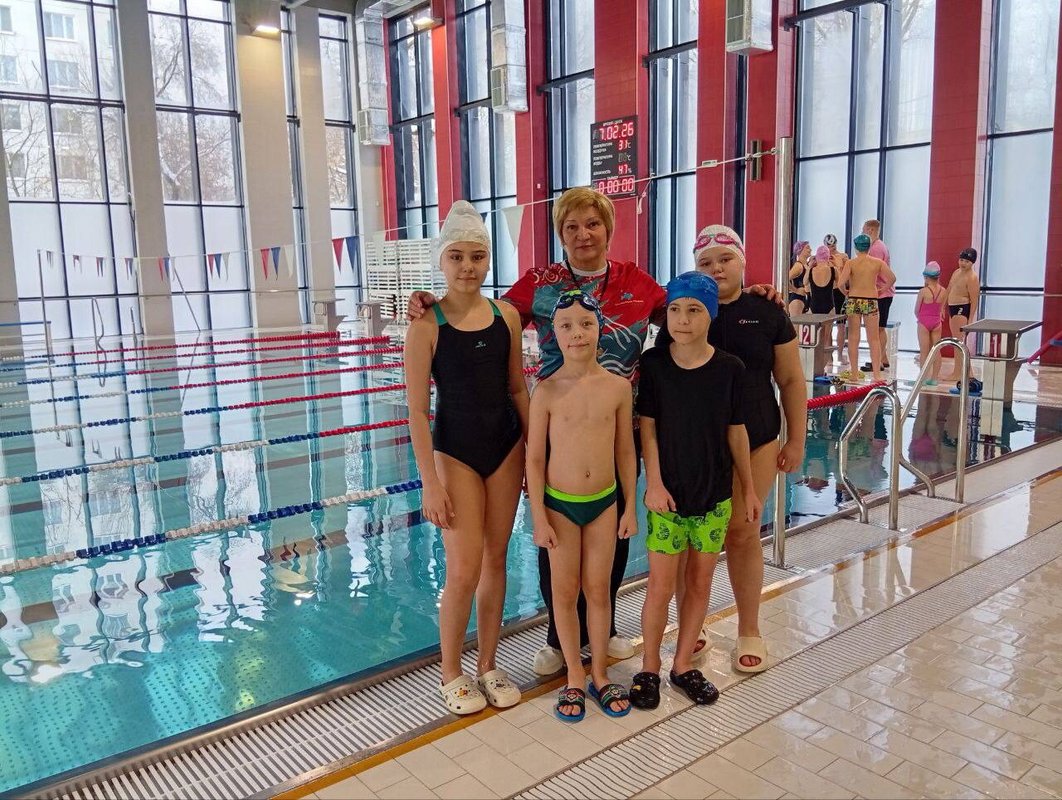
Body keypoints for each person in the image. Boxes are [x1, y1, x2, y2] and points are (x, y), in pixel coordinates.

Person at [407, 191, 784, 676]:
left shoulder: (637, 283)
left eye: (592, 224)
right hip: (557, 431)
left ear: (608, 229)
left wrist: (747, 294)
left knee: (614, 534)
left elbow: (691, 309)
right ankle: (558, 637)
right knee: (555, 538)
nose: (583, 235)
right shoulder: (539, 283)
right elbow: (479, 310)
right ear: (560, 234)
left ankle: (601, 633)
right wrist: (429, 300)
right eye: (571, 227)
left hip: (619, 428)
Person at [658, 225, 806, 674]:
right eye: (706, 262)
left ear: (742, 262)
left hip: (756, 437)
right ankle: (691, 626)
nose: (716, 268)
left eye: (725, 259)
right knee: (687, 537)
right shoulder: (681, 311)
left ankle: (750, 629)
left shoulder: (767, 311)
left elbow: (791, 380)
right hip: (693, 445)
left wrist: (797, 438)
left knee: (742, 532)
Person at [404, 201, 530, 715]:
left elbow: (517, 389)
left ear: (488, 259)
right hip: (455, 453)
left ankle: (489, 664)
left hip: (506, 448)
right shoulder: (426, 325)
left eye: (477, 256)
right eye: (456, 257)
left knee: (496, 559)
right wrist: (429, 483)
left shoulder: (507, 316)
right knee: (463, 568)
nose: (467, 267)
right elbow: (417, 412)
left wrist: (534, 454)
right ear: (441, 260)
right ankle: (451, 672)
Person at [631, 272, 760, 710]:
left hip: (714, 496)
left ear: (711, 315)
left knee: (700, 582)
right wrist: (653, 483)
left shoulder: (730, 369)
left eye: (694, 310)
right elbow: (648, 429)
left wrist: (748, 489)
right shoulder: (654, 364)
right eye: (675, 309)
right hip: (667, 497)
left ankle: (683, 664)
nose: (682, 319)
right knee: (660, 586)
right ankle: (649, 665)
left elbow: (736, 431)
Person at [526, 290, 637, 722]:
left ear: (599, 329)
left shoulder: (618, 387)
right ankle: (574, 674)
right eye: (567, 326)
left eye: (586, 324)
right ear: (554, 333)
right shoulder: (546, 391)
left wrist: (629, 508)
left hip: (604, 504)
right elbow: (535, 460)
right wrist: (538, 516)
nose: (577, 333)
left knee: (598, 589)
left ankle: (601, 674)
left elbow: (625, 451)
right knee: (565, 592)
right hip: (560, 507)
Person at [839, 234, 896, 383]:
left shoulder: (851, 263)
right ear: (869, 247)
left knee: (853, 338)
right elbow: (892, 278)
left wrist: (846, 292)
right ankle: (877, 375)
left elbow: (840, 283)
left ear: (856, 248)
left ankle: (854, 374)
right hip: (871, 300)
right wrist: (882, 290)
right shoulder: (877, 263)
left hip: (854, 300)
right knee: (874, 339)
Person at [945, 247, 981, 386]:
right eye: (961, 260)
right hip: (952, 308)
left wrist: (970, 320)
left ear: (972, 263)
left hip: (962, 308)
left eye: (966, 261)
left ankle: (962, 372)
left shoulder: (972, 277)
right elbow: (949, 289)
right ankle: (963, 372)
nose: (963, 263)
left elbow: (974, 300)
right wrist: (942, 306)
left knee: (959, 343)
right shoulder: (956, 272)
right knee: (957, 342)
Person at [861, 220, 894, 371]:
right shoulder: (880, 246)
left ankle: (878, 361)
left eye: (863, 230)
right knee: (880, 328)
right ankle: (883, 358)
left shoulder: (875, 249)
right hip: (884, 293)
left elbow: (873, 272)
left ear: (870, 230)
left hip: (881, 294)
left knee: (876, 329)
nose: (862, 233)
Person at [914, 261, 947, 386]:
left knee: (924, 351)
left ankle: (923, 378)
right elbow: (942, 309)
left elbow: (916, 310)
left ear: (926, 277)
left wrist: (920, 319)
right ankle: (934, 378)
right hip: (937, 322)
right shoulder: (943, 291)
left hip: (924, 322)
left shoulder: (923, 291)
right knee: (936, 351)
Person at [824, 234, 849, 359]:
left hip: (840, 292)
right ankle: (829, 356)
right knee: (827, 325)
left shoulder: (843, 257)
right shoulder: (822, 258)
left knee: (841, 325)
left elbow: (848, 276)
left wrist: (839, 266)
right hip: (828, 292)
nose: (831, 249)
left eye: (833, 247)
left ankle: (839, 354)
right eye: (829, 247)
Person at [787, 240, 811, 317]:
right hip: (797, 300)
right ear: (800, 250)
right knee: (796, 324)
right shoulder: (798, 266)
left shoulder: (807, 265)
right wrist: (796, 290)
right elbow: (785, 280)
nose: (810, 249)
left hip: (806, 298)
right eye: (807, 248)